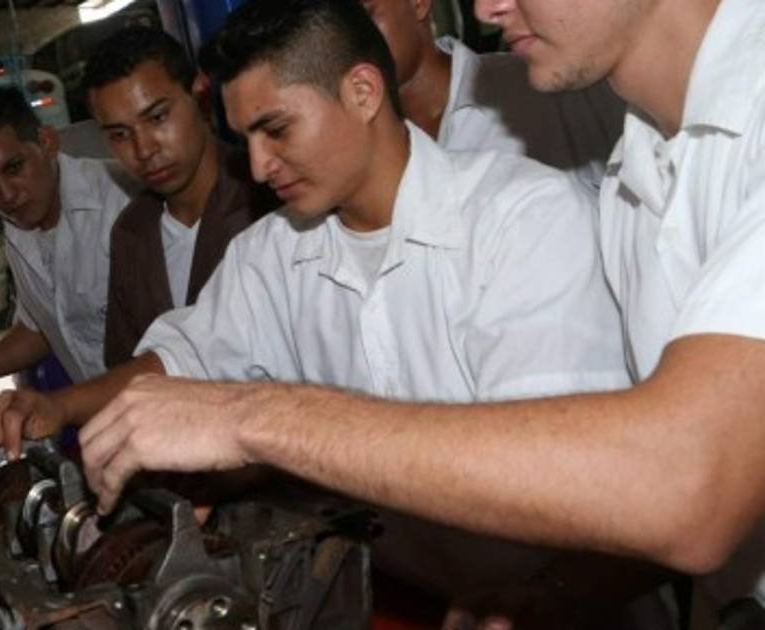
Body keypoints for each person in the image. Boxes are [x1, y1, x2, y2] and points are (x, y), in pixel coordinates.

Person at [76, 0, 765, 627]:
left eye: (276, 129)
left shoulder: (527, 215)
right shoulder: (632, 178)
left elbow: (670, 484)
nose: (488, 8)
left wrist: (252, 421)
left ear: (361, 93)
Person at [81, 25, 278, 368]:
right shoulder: (131, 232)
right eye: (120, 134)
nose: (143, 150)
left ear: (200, 95)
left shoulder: (269, 197)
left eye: (158, 117)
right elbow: (125, 367)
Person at [0, 87, 136, 393]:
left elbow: (169, 347)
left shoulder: (120, 205)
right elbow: (41, 329)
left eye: (14, 168)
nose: (5, 195)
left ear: (47, 142)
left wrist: (60, 408)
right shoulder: (18, 229)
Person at [361, 0, 624, 193]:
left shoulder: (553, 84)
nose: (349, 43)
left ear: (418, 3)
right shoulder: (354, 154)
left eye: (364, 16)